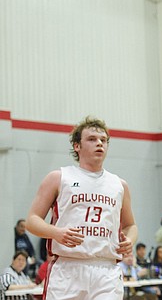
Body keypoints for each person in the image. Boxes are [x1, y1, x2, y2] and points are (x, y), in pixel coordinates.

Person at [26, 116, 138, 300]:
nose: (99, 143)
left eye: (103, 140)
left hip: (106, 269)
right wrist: (56, 233)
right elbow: (32, 221)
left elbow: (130, 226)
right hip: (68, 268)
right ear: (77, 146)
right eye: (92, 139)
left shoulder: (119, 184)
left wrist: (129, 240)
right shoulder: (59, 177)